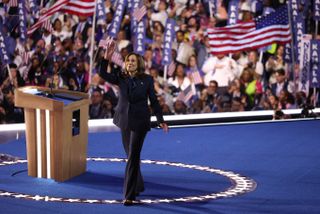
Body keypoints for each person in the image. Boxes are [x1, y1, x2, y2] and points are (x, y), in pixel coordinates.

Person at [98, 42, 169, 206]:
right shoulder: (120, 77)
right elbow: (102, 73)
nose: (129, 62)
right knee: (130, 155)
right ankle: (138, 185)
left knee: (132, 156)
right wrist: (106, 57)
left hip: (140, 121)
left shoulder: (148, 80)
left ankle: (129, 195)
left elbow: (154, 102)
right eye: (128, 60)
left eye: (133, 61)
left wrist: (161, 120)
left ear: (139, 65)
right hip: (124, 120)